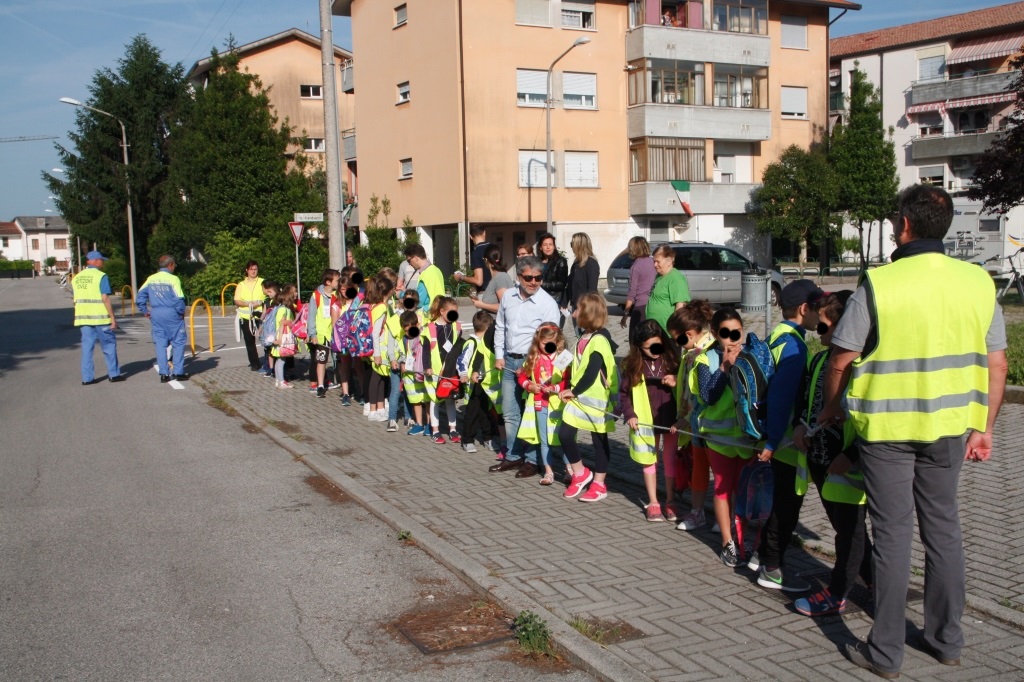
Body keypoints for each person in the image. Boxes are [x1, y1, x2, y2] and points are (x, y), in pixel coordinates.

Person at [819, 185, 1008, 679]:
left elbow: (840, 358)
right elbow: (998, 363)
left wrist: (831, 410)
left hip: (886, 430)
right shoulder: (978, 281)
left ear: (904, 225)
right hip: (950, 428)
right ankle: (947, 641)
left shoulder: (880, 283)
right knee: (943, 529)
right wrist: (984, 428)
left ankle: (885, 653)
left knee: (894, 534)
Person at [791, 291, 873, 617]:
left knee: (850, 534)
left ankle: (837, 594)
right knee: (847, 530)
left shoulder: (861, 367)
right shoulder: (821, 359)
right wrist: (800, 426)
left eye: (823, 327)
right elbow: (809, 399)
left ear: (843, 327)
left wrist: (852, 455)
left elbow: (872, 419)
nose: (817, 333)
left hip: (847, 465)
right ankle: (877, 581)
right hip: (821, 460)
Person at [753, 279, 822, 592]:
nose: (820, 316)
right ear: (805, 309)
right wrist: (771, 441)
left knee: (783, 501)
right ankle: (772, 568)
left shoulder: (779, 336)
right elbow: (781, 398)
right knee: (787, 506)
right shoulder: (794, 346)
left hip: (778, 437)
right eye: (817, 308)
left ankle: (761, 555)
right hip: (786, 441)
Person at [692, 307, 757, 566]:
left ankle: (744, 537)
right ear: (716, 335)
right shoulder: (705, 360)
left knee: (745, 490)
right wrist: (725, 367)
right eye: (725, 333)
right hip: (718, 436)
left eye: (736, 332)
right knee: (722, 487)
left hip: (746, 437)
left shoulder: (751, 355)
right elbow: (708, 396)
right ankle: (727, 542)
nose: (732, 338)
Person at [488, 255, 561, 474]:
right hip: (510, 361)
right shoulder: (509, 296)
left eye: (538, 278)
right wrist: (499, 356)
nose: (533, 282)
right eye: (528, 277)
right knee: (510, 412)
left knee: (532, 413)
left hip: (534, 365)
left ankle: (532, 460)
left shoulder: (547, 303)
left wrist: (530, 365)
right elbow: (501, 327)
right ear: (518, 276)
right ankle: (513, 454)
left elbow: (552, 342)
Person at [558, 292, 619, 502]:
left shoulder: (600, 339)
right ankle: (581, 473)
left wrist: (573, 391)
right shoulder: (584, 337)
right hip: (579, 399)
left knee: (599, 442)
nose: (573, 313)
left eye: (576, 309)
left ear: (587, 314)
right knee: (565, 434)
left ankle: (600, 484)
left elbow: (592, 371)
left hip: (595, 400)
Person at [620, 319, 681, 521]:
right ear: (639, 347)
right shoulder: (632, 365)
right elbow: (624, 394)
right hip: (646, 421)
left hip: (671, 419)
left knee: (670, 460)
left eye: (657, 345)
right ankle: (653, 502)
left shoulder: (672, 359)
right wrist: (630, 414)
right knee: (649, 459)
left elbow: (687, 385)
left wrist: (676, 380)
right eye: (649, 348)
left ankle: (671, 500)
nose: (655, 350)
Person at [666, 300, 716, 531]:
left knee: (721, 471)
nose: (676, 343)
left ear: (689, 334)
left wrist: (686, 418)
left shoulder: (709, 352)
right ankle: (698, 512)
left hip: (712, 423)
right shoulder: (690, 353)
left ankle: (729, 514)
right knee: (698, 468)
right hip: (695, 422)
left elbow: (704, 393)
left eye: (677, 338)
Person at [516, 323, 570, 485]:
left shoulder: (563, 358)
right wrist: (529, 386)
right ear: (537, 341)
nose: (547, 346)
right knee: (544, 439)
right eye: (544, 343)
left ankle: (570, 470)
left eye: (551, 343)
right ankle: (548, 472)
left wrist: (555, 387)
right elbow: (522, 377)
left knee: (563, 440)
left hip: (558, 405)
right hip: (540, 404)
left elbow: (567, 380)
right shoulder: (534, 358)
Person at [136, 254, 188, 382]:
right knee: (178, 341)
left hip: (156, 312)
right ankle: (178, 371)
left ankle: (164, 373)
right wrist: (181, 311)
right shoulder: (173, 279)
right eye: (174, 265)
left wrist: (145, 311)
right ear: (170, 265)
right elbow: (178, 298)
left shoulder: (151, 278)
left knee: (160, 343)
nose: (174, 267)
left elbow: (140, 296)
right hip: (171, 313)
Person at [458, 311, 505, 453]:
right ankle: (467, 439)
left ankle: (488, 438)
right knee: (472, 412)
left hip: (488, 383)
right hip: (475, 383)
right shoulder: (471, 343)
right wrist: (464, 374)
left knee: (486, 412)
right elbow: (462, 360)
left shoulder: (489, 343)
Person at [73, 250, 122, 384]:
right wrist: (113, 318)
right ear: (95, 261)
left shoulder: (77, 277)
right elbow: (105, 298)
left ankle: (87, 379)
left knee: (87, 349)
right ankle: (114, 375)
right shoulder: (101, 276)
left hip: (83, 318)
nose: (103, 262)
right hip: (101, 318)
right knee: (108, 346)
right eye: (102, 260)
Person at [422, 296, 463, 444]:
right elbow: (425, 351)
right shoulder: (430, 329)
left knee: (450, 400)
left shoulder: (456, 328)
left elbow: (459, 349)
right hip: (434, 372)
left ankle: (453, 429)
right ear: (441, 311)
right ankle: (436, 430)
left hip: (450, 372)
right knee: (435, 400)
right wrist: (427, 367)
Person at [306, 269, 340, 398]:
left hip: (335, 333)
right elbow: (311, 315)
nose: (339, 282)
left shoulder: (338, 295)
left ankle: (341, 383)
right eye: (337, 280)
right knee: (321, 360)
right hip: (322, 335)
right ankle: (320, 386)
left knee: (338, 359)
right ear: (328, 282)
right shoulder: (316, 296)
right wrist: (312, 333)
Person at [365, 276, 393, 421]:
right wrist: (377, 354)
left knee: (382, 378)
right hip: (379, 349)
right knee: (376, 379)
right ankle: (372, 410)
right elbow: (376, 332)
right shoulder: (382, 307)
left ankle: (380, 408)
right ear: (387, 292)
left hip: (380, 348)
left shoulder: (375, 305)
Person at [645, 245, 690, 333]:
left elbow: (680, 306)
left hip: (668, 332)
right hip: (655, 330)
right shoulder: (659, 276)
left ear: (669, 261)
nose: (655, 265)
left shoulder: (676, 278)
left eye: (658, 262)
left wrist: (675, 329)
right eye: (654, 261)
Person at [399, 311, 428, 435]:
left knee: (427, 399)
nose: (407, 333)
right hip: (409, 373)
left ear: (417, 324)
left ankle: (429, 424)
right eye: (405, 331)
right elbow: (401, 352)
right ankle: (419, 424)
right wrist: (402, 363)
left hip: (422, 371)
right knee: (415, 399)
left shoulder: (423, 335)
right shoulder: (404, 339)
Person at [620, 237, 656, 338]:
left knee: (635, 339)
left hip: (641, 306)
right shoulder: (654, 262)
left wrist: (626, 313)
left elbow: (632, 292)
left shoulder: (636, 267)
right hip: (653, 304)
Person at [234, 260, 265, 371]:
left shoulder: (262, 282)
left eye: (255, 269)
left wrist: (259, 303)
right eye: (251, 269)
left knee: (266, 339)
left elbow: (268, 296)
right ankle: (255, 363)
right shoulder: (241, 284)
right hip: (246, 317)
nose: (253, 271)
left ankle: (269, 362)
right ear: (247, 270)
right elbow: (237, 300)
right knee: (249, 341)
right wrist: (247, 304)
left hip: (260, 315)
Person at [562, 233, 600, 322]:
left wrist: (583, 309)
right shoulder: (576, 264)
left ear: (579, 245)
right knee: (579, 335)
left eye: (572, 244)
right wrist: (564, 303)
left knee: (585, 335)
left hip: (586, 309)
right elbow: (569, 285)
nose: (571, 247)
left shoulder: (591, 264)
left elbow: (592, 290)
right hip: (576, 306)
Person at [470, 245, 514, 314]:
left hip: (497, 322)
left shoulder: (500, 277)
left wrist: (482, 305)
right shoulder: (496, 278)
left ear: (486, 260)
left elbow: (504, 306)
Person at [270, 285, 298, 389]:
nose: (296, 294)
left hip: (278, 337)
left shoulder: (280, 308)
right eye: (294, 292)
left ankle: (278, 380)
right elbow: (281, 324)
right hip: (282, 338)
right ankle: (281, 381)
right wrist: (280, 339)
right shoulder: (285, 309)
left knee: (279, 360)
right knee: (281, 361)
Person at [404, 244, 445, 314]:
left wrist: (403, 294)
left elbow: (419, 301)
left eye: (409, 261)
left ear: (416, 258)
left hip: (428, 315)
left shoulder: (425, 274)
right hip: (440, 311)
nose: (409, 264)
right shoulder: (436, 270)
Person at [453, 224, 491, 293]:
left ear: (470, 236)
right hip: (499, 291)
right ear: (484, 233)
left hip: (486, 293)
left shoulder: (476, 253)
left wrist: (462, 277)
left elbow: (479, 281)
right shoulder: (494, 248)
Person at [537, 232, 568, 310]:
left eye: (550, 244)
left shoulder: (560, 261)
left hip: (554, 300)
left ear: (554, 246)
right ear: (540, 247)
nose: (548, 247)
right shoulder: (536, 262)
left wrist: (543, 283)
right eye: (545, 245)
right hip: (538, 299)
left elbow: (562, 284)